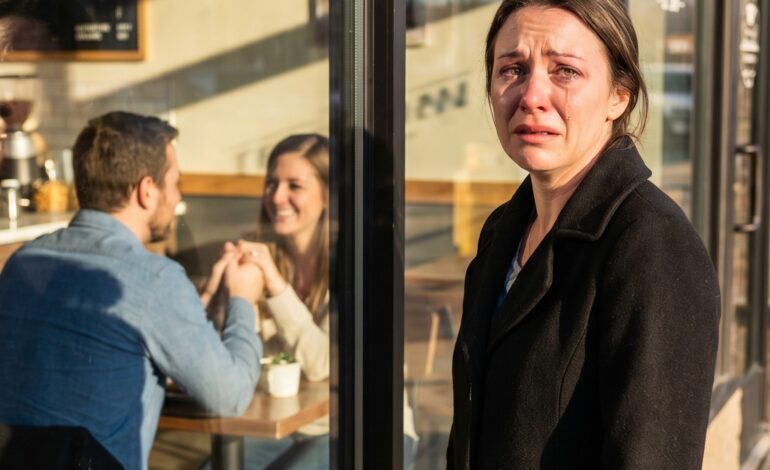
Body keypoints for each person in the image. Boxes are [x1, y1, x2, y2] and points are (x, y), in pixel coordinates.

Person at [447, 1, 720, 469]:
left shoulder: (651, 246)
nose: (532, 95)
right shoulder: (504, 231)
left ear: (620, 95)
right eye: (512, 68)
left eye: (565, 71)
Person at [0, 111, 264, 470]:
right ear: (147, 190)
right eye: (176, 184)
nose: (176, 198)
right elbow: (229, 397)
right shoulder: (154, 279)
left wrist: (201, 307)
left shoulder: (23, 262)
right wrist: (243, 300)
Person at [202, 134, 419, 469]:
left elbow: (324, 366)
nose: (277, 197)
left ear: (328, 196)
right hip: (281, 430)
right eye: (271, 183)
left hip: (364, 427)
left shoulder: (356, 264)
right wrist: (218, 298)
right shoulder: (258, 256)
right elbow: (223, 360)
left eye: (295, 186)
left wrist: (276, 288)